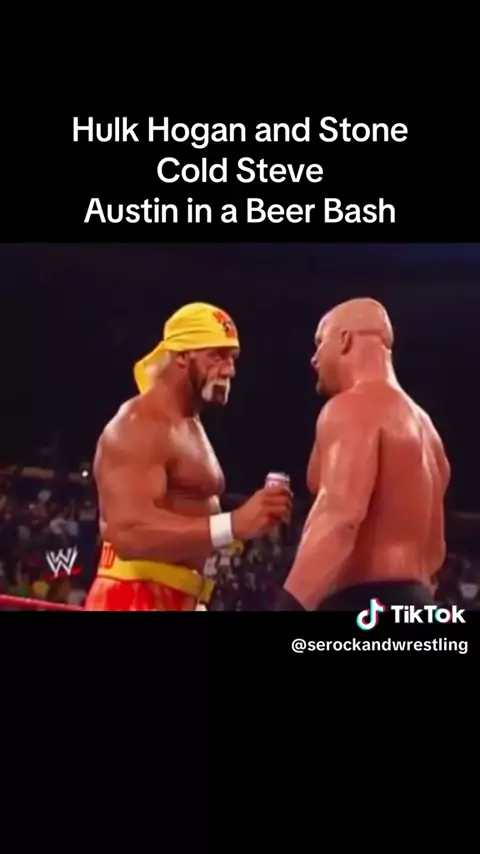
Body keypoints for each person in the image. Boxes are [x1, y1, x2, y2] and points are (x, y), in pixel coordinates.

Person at [85, 302, 291, 611]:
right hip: (133, 596)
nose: (229, 370)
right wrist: (234, 523)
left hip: (179, 596)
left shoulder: (188, 423)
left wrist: (251, 522)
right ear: (181, 356)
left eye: (232, 358)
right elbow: (127, 531)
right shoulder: (140, 422)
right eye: (216, 356)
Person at [274, 297, 451, 611]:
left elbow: (340, 517)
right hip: (419, 604)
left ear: (344, 340)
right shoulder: (429, 433)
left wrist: (289, 605)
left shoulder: (352, 408)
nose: (314, 358)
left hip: (364, 602)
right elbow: (435, 550)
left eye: (320, 342)